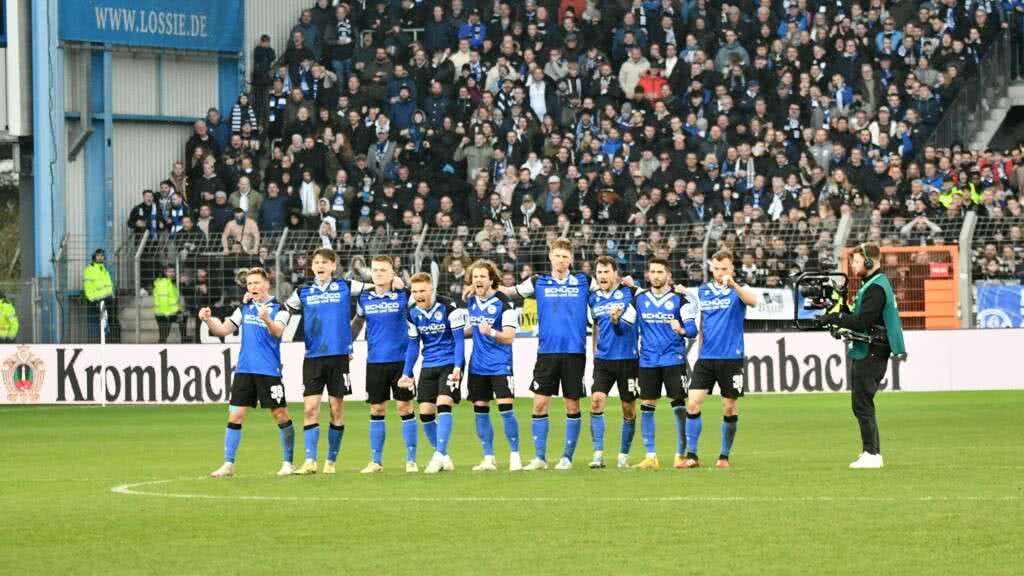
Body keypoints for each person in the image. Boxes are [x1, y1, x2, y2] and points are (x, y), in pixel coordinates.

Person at [501, 238, 593, 471]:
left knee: (572, 406)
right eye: (557, 255)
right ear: (550, 257)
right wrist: (484, 286)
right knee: (540, 404)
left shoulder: (584, 281)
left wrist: (628, 283)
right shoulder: (538, 282)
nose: (561, 260)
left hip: (574, 352)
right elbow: (510, 293)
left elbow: (610, 286)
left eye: (565, 256)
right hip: (547, 353)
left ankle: (567, 458)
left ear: (571, 259)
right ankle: (540, 458)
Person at [816, 242, 906, 469]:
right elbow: (858, 318)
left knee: (862, 403)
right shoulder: (873, 284)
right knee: (863, 403)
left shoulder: (875, 288)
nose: (853, 266)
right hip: (870, 348)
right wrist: (837, 314)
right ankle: (872, 452)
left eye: (856, 261)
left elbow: (862, 321)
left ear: (869, 262)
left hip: (872, 350)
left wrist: (835, 319)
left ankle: (872, 454)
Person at [200, 267, 296, 478]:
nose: (252, 287)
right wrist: (208, 320)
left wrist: (266, 319)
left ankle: (288, 462)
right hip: (244, 370)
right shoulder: (244, 308)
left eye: (256, 283)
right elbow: (223, 329)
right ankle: (228, 464)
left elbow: (278, 331)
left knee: (280, 415)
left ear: (267, 283)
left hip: (269, 371)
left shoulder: (280, 308)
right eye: (249, 284)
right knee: (235, 416)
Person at [285, 248, 366, 475]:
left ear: (333, 266)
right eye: (316, 262)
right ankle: (310, 460)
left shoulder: (346, 286)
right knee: (310, 409)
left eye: (324, 262)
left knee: (335, 409)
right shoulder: (303, 292)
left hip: (339, 357)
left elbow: (374, 289)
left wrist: (394, 281)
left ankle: (330, 461)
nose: (319, 266)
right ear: (312, 267)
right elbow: (283, 311)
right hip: (313, 357)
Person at [681, 251, 759, 469]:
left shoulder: (739, 289)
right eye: (716, 268)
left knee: (729, 407)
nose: (720, 272)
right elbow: (701, 320)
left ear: (731, 269)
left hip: (731, 358)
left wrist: (734, 285)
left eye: (724, 268)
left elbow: (753, 302)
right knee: (693, 403)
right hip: (706, 358)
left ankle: (724, 456)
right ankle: (692, 456)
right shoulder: (704, 291)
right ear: (711, 268)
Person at [349, 255, 418, 473]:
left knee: (404, 407)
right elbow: (358, 322)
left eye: (383, 270)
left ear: (392, 274)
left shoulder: (404, 296)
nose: (378, 273)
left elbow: (419, 313)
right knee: (377, 409)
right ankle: (376, 461)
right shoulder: (364, 298)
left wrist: (405, 286)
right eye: (375, 270)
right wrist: (347, 345)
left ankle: (411, 460)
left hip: (401, 361)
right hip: (375, 361)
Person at [632, 258, 697, 470]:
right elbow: (624, 325)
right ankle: (651, 456)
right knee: (647, 405)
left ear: (668, 275)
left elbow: (693, 330)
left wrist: (681, 330)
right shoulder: (639, 299)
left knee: (679, 404)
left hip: (673, 359)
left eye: (660, 271)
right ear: (648, 275)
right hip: (648, 360)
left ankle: (680, 455)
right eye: (653, 271)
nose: (656, 275)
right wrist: (615, 320)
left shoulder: (680, 300)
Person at [399, 272, 467, 474]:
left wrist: (457, 367)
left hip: (449, 363)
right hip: (429, 365)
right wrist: (406, 372)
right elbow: (413, 345)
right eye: (414, 291)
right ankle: (444, 456)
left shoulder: (449, 307)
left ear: (431, 290)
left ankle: (438, 456)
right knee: (426, 413)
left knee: (443, 403)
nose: (418, 295)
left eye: (422, 291)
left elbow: (459, 340)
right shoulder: (412, 313)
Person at [464, 259, 521, 471]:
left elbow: (509, 337)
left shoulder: (504, 303)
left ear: (491, 280)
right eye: (475, 276)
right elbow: (475, 329)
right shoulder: (471, 301)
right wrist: (457, 333)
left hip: (500, 365)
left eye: (482, 277)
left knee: (506, 410)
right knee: (480, 411)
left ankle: (515, 455)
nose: (478, 280)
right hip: (477, 365)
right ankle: (489, 458)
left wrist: (492, 332)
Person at [586, 256, 639, 469]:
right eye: (599, 272)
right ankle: (598, 454)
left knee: (628, 409)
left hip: (628, 359)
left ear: (615, 273)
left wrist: (633, 284)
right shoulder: (593, 298)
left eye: (606, 272)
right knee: (596, 401)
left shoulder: (630, 293)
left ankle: (623, 456)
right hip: (604, 360)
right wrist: (594, 351)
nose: (602, 276)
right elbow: (596, 326)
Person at [82, 249, 119, 343]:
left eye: (102, 255)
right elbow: (88, 286)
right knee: (102, 323)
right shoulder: (90, 269)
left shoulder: (104, 269)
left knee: (113, 322)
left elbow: (109, 285)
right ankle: (104, 344)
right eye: (98, 255)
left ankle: (113, 343)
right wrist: (92, 299)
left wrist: (112, 296)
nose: (100, 257)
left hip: (109, 299)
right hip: (99, 301)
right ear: (94, 256)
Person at [152, 266, 187, 344]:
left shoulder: (170, 282)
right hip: (163, 313)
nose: (172, 273)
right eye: (169, 272)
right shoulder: (163, 283)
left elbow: (174, 298)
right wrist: (167, 315)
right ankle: (160, 349)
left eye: (173, 271)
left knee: (183, 318)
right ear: (165, 273)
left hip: (171, 312)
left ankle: (184, 340)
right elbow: (163, 299)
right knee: (164, 335)